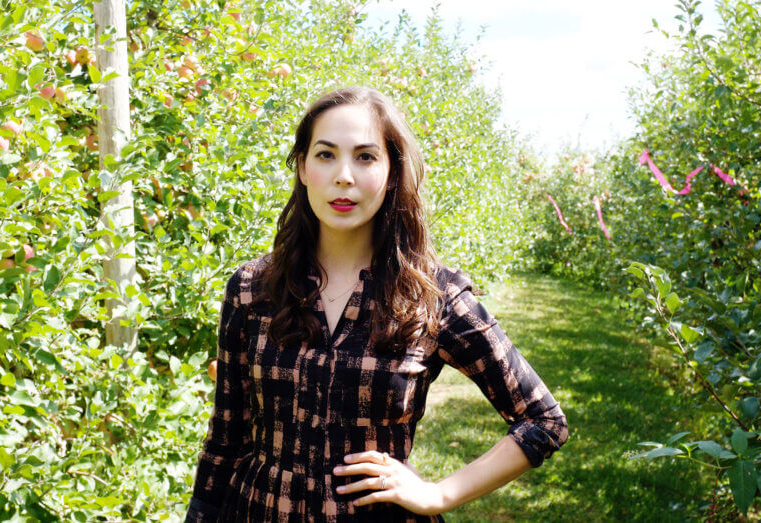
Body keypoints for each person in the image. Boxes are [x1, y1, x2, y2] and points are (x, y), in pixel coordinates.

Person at [185, 86, 568, 522]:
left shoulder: (431, 297)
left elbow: (543, 421)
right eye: (326, 155)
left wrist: (439, 495)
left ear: (392, 172)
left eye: (365, 157)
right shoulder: (254, 289)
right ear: (303, 169)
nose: (344, 175)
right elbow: (226, 439)